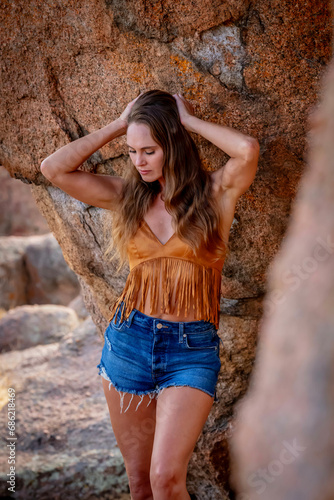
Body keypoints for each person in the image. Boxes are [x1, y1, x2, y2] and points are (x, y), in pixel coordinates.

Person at [41, 89, 259, 500]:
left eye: (149, 151)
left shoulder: (214, 194)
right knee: (140, 483)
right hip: (130, 341)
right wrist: (122, 123)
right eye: (132, 151)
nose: (138, 162)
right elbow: (53, 169)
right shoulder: (127, 197)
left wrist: (188, 120)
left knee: (165, 478)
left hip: (190, 350)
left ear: (173, 146)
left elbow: (247, 150)